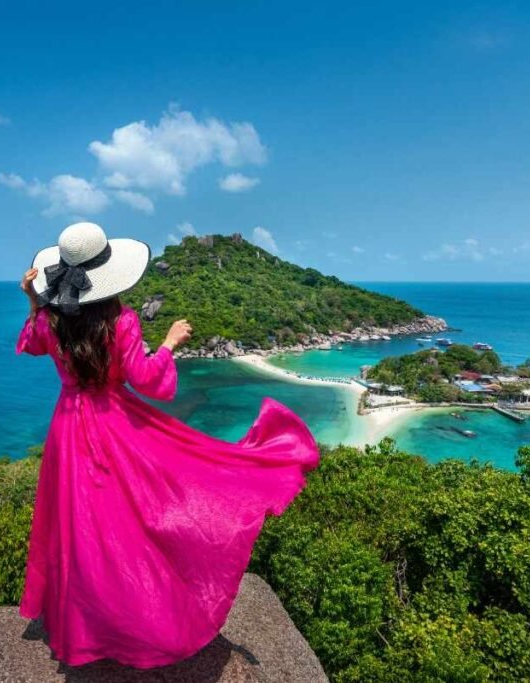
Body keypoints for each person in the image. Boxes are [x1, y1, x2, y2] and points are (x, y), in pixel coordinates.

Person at [16, 222, 319, 669]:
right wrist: (170, 343)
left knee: (82, 524)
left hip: (68, 427)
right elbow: (149, 381)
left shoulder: (52, 319)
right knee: (136, 518)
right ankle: (140, 616)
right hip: (114, 424)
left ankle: (86, 622)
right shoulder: (120, 321)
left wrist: (34, 299)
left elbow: (32, 342)